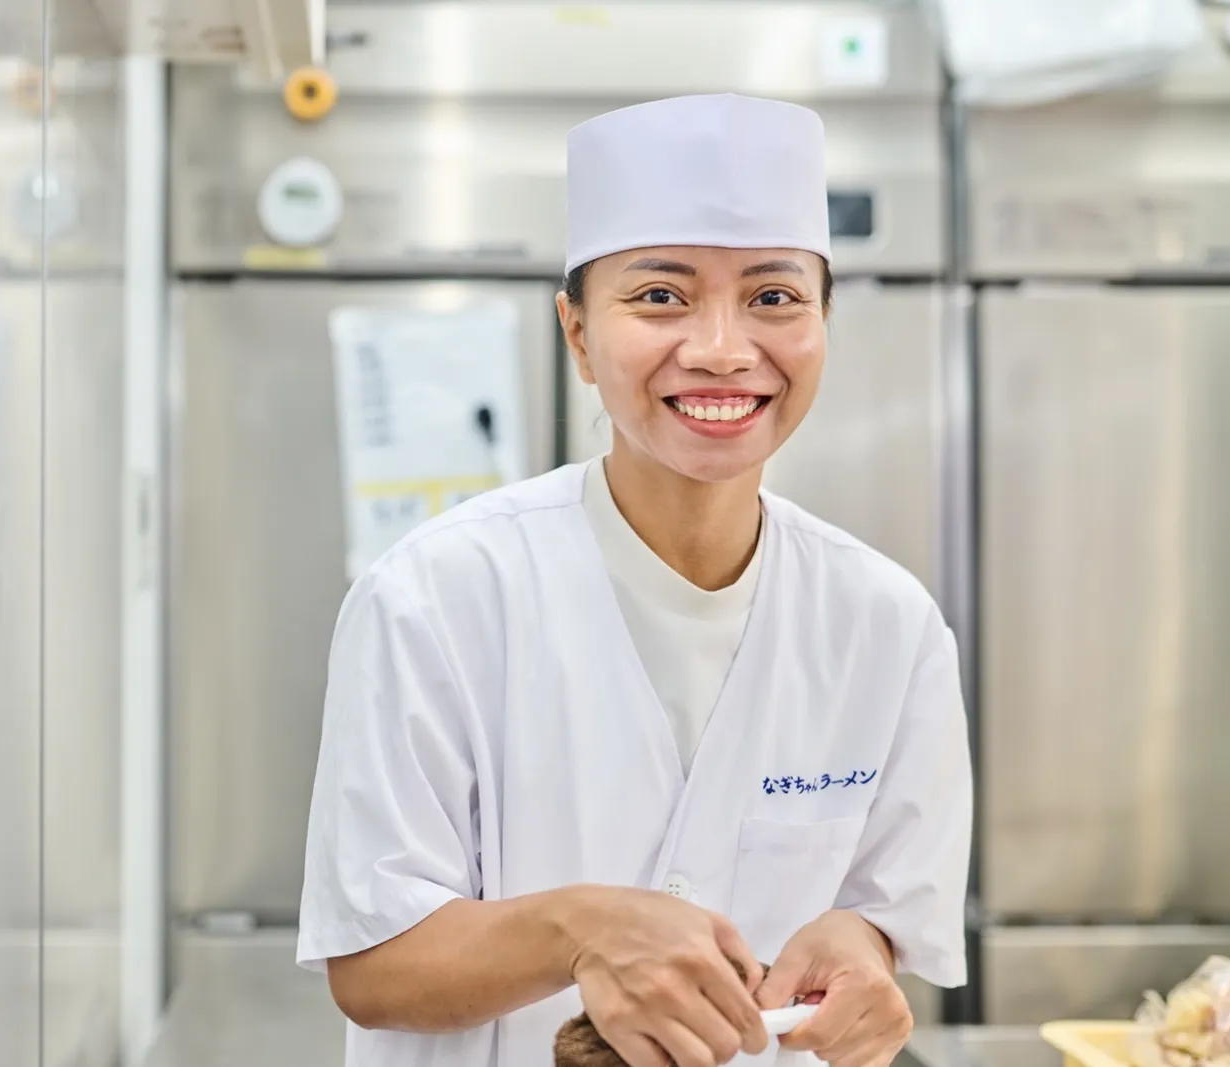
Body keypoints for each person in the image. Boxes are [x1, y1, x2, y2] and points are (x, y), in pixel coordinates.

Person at [297, 92, 973, 1067]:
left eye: (773, 297)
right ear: (577, 332)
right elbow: (370, 965)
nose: (721, 349)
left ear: (823, 320)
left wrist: (860, 952)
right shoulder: (436, 597)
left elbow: (877, 919)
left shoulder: (887, 624)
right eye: (660, 295)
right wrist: (576, 927)